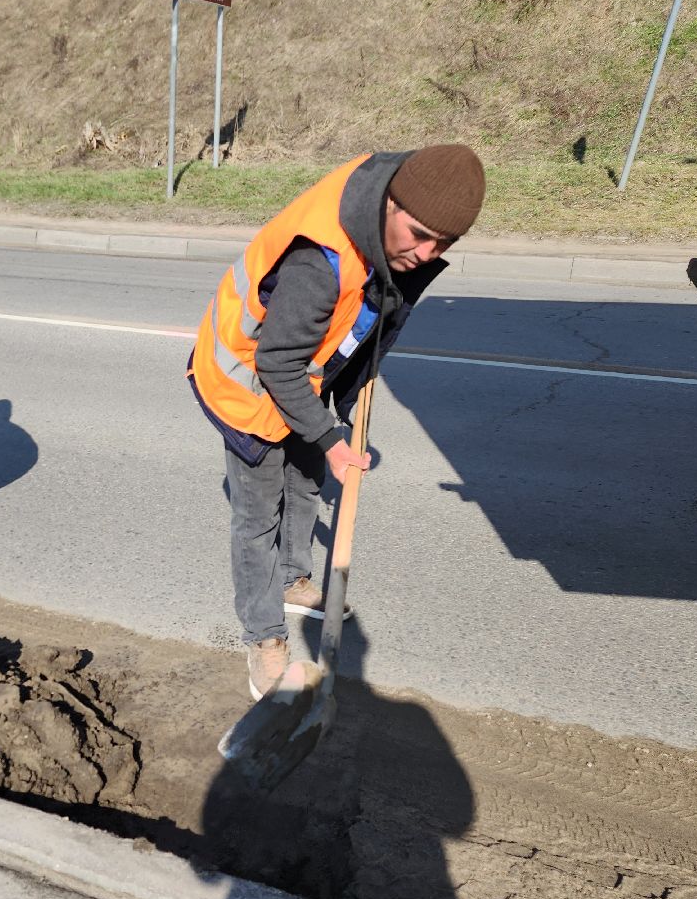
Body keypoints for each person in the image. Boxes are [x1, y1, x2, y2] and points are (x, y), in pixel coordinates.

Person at [187, 145, 485, 699]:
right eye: (419, 235)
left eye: (444, 244)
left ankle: (294, 578)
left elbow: (361, 313)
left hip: (302, 373)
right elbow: (277, 362)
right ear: (390, 204)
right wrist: (329, 435)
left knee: (305, 483)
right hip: (247, 382)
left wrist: (337, 408)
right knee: (256, 520)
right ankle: (263, 636)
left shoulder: (387, 207)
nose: (427, 253)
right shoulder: (318, 262)